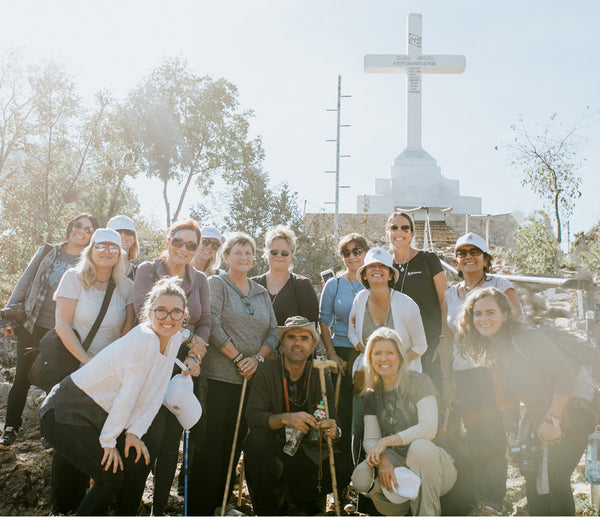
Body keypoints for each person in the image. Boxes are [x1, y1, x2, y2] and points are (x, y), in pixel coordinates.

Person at [38, 277, 191, 516]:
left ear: (184, 314)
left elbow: (156, 391)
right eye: (161, 311)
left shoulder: (174, 338)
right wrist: (109, 441)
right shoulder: (145, 339)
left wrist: (134, 433)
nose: (168, 318)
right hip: (65, 411)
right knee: (109, 479)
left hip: (95, 415)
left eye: (175, 312)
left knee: (135, 461)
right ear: (149, 313)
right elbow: (128, 395)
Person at [456, 287, 596, 516]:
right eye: (477, 314)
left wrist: (553, 419)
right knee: (534, 480)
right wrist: (512, 438)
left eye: (491, 312)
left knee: (555, 476)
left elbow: (565, 374)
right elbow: (509, 400)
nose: (483, 319)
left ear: (505, 314)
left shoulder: (525, 338)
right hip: (539, 414)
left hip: (573, 407)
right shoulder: (494, 350)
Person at [189, 232, 279, 516]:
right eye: (237, 252)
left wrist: (257, 359)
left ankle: (220, 503)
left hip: (250, 380)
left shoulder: (261, 292)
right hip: (217, 380)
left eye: (248, 253)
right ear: (225, 257)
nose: (244, 257)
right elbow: (211, 322)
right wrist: (238, 357)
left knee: (234, 444)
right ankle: (200, 507)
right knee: (211, 444)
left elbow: (274, 332)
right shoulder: (217, 284)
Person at [50, 228, 135, 514]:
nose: (107, 251)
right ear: (91, 249)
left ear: (119, 254)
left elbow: (127, 332)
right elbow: (61, 325)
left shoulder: (126, 286)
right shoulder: (73, 278)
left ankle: (89, 503)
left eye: (113, 247)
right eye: (101, 246)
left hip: (109, 375)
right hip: (77, 366)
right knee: (69, 440)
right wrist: (87, 360)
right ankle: (61, 507)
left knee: (95, 437)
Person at [0, 213, 98, 449]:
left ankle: (49, 433)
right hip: (32, 323)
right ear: (70, 227)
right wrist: (7, 319)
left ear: (92, 236)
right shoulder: (48, 251)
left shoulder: (89, 262)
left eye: (88, 230)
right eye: (78, 226)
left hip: (61, 330)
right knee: (22, 377)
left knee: (53, 381)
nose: (82, 232)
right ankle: (10, 429)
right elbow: (25, 280)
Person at [133, 219, 209, 515]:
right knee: (148, 435)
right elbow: (145, 316)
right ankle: (132, 501)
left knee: (170, 444)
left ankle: (159, 507)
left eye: (191, 245)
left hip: (182, 369)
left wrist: (195, 356)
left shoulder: (200, 279)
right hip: (151, 363)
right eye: (178, 241)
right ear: (168, 241)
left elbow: (205, 322)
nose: (184, 249)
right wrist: (187, 336)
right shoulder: (147, 271)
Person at [443, 232, 523, 514]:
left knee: (493, 436)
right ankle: (476, 497)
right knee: (472, 437)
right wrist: (448, 378)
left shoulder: (500, 285)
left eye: (474, 252)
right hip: (463, 373)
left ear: (486, 258)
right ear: (456, 260)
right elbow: (446, 337)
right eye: (462, 253)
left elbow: (518, 324)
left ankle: (493, 500)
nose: (468, 257)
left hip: (494, 370)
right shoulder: (450, 294)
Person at [244, 316, 353, 515]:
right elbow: (253, 416)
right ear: (282, 343)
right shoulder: (267, 372)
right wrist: (286, 418)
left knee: (344, 467)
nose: (297, 342)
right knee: (254, 441)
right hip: (274, 445)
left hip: (307, 448)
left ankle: (294, 500)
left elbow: (334, 422)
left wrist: (333, 430)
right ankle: (268, 510)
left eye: (304, 338)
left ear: (312, 345)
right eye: (291, 337)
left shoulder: (320, 374)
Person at [352, 327, 457, 516]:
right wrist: (382, 458)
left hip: (434, 465)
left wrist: (385, 442)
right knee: (361, 477)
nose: (383, 359)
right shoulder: (371, 395)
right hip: (398, 463)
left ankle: (426, 512)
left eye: (389, 353)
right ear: (370, 358)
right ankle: (402, 509)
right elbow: (371, 439)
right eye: (377, 354)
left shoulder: (418, 382)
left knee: (420, 448)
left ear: (400, 356)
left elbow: (428, 429)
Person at [319, 233, 368, 465]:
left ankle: (363, 468)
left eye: (357, 251)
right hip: (341, 352)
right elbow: (323, 321)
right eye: (346, 253)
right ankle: (342, 471)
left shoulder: (374, 279)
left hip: (368, 354)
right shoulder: (334, 285)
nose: (352, 256)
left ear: (366, 252)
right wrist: (331, 354)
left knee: (365, 414)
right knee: (342, 412)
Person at [386, 211, 448, 392]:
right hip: (399, 344)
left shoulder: (428, 259)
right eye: (394, 227)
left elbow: (444, 300)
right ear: (388, 233)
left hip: (430, 341)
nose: (399, 232)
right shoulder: (385, 266)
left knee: (431, 393)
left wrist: (444, 338)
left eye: (405, 228)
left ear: (412, 234)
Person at [252, 225, 319, 326]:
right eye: (274, 252)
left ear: (292, 254)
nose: (279, 256)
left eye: (284, 253)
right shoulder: (253, 284)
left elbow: (311, 327)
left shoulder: (302, 285)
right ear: (266, 253)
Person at [107, 214, 139, 280]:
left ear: (134, 239)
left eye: (128, 232)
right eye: (117, 232)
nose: (123, 236)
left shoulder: (139, 273)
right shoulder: (98, 270)